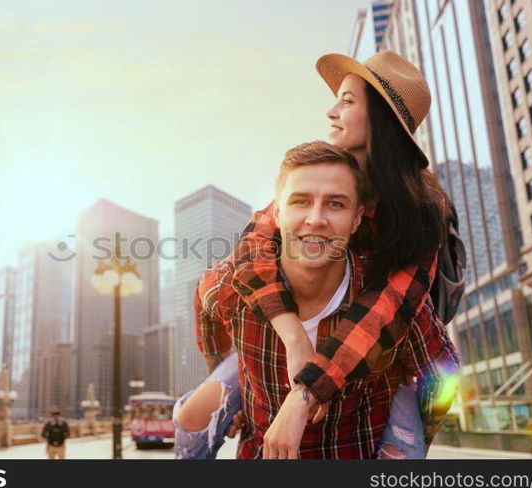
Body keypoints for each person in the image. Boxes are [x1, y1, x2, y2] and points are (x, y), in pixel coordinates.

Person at [175, 50, 460, 459]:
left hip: (388, 357)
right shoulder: (320, 175)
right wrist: (291, 339)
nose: (331, 111)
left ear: (380, 119)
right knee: (197, 410)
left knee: (402, 454)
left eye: (346, 101)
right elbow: (249, 255)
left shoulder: (421, 211)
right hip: (293, 333)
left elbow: (383, 313)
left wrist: (306, 391)